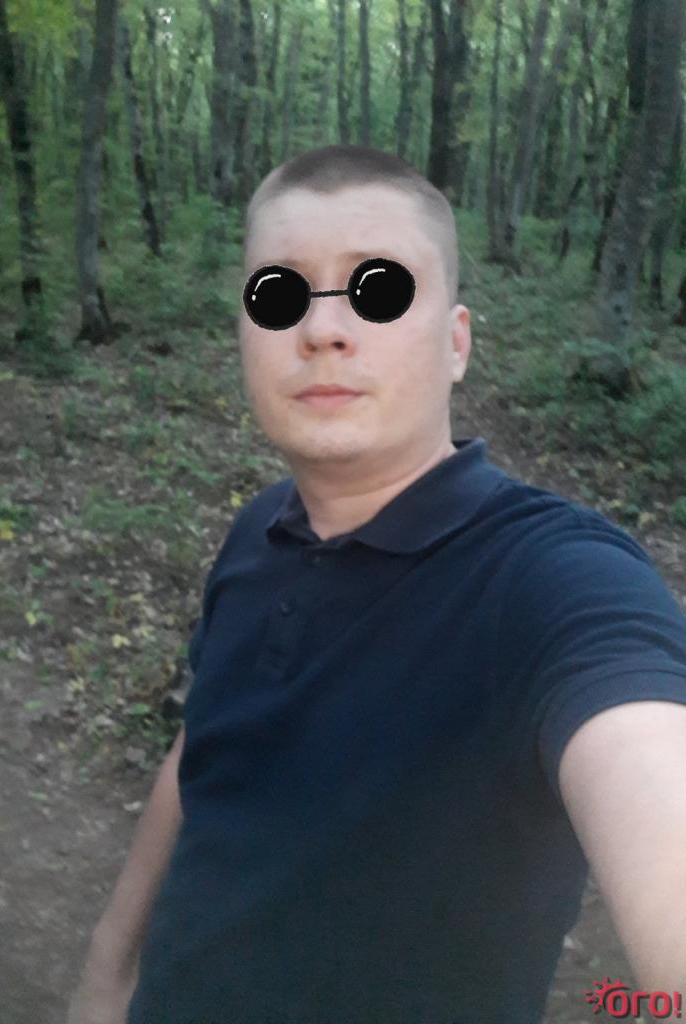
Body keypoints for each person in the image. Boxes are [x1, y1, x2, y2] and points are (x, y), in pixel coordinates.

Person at [68, 144, 686, 1024]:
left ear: (456, 342)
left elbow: (646, 764)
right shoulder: (258, 532)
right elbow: (203, 748)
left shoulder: (551, 581)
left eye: (379, 289)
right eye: (279, 293)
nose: (322, 329)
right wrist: (107, 967)